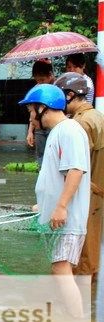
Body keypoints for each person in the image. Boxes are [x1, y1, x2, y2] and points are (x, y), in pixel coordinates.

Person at [20, 83, 91, 317]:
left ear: (43, 108)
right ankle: (65, 316)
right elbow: (57, 177)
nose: (31, 118)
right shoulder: (58, 133)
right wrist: (46, 205)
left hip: (68, 218)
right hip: (58, 217)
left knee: (61, 268)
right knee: (57, 269)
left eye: (31, 111)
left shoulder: (69, 130)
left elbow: (75, 170)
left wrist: (60, 207)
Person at [55, 72, 104, 281]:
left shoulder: (81, 123)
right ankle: (88, 302)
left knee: (81, 249)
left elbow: (76, 166)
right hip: (96, 190)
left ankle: (79, 304)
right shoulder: (95, 116)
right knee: (91, 244)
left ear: (70, 95)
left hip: (88, 189)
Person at [26, 60, 55, 165]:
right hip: (39, 129)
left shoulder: (57, 88)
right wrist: (30, 132)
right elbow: (32, 112)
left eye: (42, 80)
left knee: (54, 157)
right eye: (37, 80)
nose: (40, 83)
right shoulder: (36, 89)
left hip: (53, 128)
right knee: (41, 159)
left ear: (50, 75)